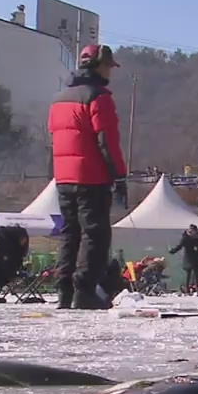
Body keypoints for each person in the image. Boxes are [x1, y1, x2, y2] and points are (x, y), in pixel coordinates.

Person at [49, 44, 128, 310]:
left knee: (69, 233)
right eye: (108, 66)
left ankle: (64, 291)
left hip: (63, 178)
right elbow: (108, 142)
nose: (110, 72)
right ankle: (84, 290)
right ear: (99, 66)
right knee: (95, 234)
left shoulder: (59, 99)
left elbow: (54, 141)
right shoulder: (99, 97)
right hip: (91, 177)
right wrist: (119, 176)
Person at [168, 224, 198, 295]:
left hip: (196, 258)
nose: (194, 232)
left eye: (195, 230)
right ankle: (187, 290)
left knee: (197, 275)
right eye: (192, 230)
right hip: (188, 257)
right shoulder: (185, 237)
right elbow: (180, 246)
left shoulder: (197, 237)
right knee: (188, 275)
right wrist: (173, 251)